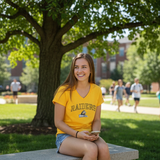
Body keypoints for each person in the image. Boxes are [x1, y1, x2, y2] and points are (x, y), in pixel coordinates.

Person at [53, 53, 110, 160]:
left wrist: (96, 132)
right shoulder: (63, 91)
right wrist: (77, 134)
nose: (79, 71)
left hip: (88, 134)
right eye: (76, 67)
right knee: (91, 149)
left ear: (91, 70)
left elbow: (97, 119)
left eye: (84, 67)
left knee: (103, 148)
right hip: (66, 137)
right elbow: (58, 122)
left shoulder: (96, 90)